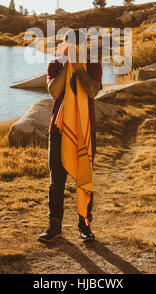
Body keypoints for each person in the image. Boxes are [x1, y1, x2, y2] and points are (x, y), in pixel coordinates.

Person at [38, 29, 102, 243]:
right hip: (58, 131)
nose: (69, 49)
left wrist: (79, 66)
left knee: (84, 177)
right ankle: (54, 226)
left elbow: (92, 90)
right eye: (66, 45)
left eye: (74, 46)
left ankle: (85, 226)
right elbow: (54, 91)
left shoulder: (92, 63)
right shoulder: (55, 64)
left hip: (84, 129)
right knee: (56, 181)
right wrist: (68, 65)